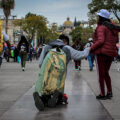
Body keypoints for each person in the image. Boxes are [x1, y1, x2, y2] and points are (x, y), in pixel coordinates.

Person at [33, 34, 90, 111]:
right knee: (59, 88)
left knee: (45, 90)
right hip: (59, 75)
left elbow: (40, 63)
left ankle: (42, 98)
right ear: (65, 42)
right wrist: (88, 48)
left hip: (47, 75)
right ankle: (57, 97)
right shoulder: (67, 48)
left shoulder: (47, 46)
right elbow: (82, 55)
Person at [90, 9, 120, 100]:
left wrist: (91, 48)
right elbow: (116, 41)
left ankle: (102, 94)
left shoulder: (101, 27)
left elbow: (101, 41)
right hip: (111, 53)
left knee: (101, 75)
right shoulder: (113, 28)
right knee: (106, 73)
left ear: (100, 17)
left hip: (101, 53)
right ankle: (109, 92)